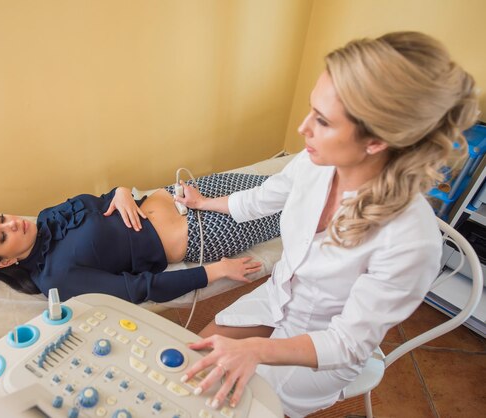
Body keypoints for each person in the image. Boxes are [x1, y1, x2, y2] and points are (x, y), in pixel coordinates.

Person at [175, 31, 479, 417]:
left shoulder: (410, 240)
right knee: (188, 366)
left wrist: (255, 351)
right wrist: (202, 202)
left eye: (321, 120)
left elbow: (348, 342)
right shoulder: (313, 163)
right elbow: (260, 198)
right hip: (274, 299)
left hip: (324, 345)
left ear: (376, 141)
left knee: (232, 406)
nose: (303, 129)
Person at [0, 173, 282, 303]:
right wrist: (216, 271)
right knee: (297, 210)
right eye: (1, 236)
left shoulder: (45, 217)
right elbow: (138, 289)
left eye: (1, 218)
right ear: (6, 261)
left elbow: (100, 204)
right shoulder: (57, 279)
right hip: (203, 233)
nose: (12, 224)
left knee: (282, 184)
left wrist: (120, 193)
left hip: (184, 193)